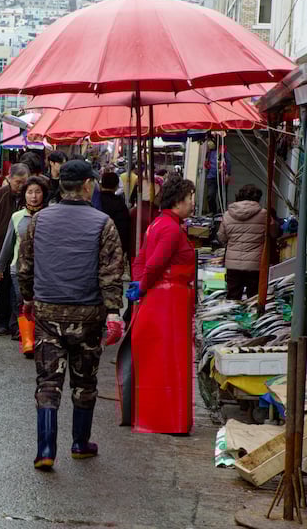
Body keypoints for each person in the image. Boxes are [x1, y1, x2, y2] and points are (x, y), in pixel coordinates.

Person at [18, 159, 125, 470]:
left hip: (47, 313)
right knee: (84, 382)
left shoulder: (38, 221)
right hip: (89, 315)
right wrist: (114, 312)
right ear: (87, 186)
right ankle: (79, 443)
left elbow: (23, 266)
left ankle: (46, 450)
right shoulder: (103, 223)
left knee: (47, 382)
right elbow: (111, 273)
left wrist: (27, 298)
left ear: (60, 185)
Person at [126, 177, 196, 434]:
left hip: (159, 299)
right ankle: (169, 420)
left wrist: (139, 284)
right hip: (168, 301)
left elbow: (141, 259)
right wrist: (142, 285)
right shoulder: (170, 228)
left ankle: (159, 417)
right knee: (170, 361)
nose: (192, 203)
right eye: (190, 197)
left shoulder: (158, 223)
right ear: (179, 200)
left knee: (158, 360)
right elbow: (154, 263)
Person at [0, 175, 50, 358]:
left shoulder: (50, 216)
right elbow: (8, 244)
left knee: (41, 304)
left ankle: (40, 337)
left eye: (38, 192)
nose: (34, 196)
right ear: (24, 195)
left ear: (44, 194)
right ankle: (28, 342)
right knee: (22, 304)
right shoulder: (17, 217)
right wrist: (0, 267)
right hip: (18, 269)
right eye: (30, 192)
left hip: (45, 270)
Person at [0, 164, 29, 337]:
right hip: (0, 249)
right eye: (18, 182)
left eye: (24, 183)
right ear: (9, 179)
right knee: (1, 287)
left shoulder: (29, 198)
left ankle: (16, 325)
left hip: (21, 253)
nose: (21, 187)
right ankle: (1, 323)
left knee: (17, 291)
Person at [217, 183, 280, 300]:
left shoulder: (227, 215)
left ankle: (233, 318)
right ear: (257, 198)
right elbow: (274, 233)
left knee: (233, 298)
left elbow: (222, 238)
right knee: (254, 299)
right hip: (255, 265)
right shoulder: (264, 215)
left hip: (233, 265)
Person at [99, 172, 131, 259]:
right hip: (112, 247)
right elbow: (124, 228)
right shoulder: (119, 204)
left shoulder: (95, 200)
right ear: (116, 186)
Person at [129, 179, 160, 264]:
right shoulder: (155, 215)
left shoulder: (133, 211)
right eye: (158, 195)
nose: (161, 198)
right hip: (146, 255)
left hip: (134, 253)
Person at [204, 139, 231, 215]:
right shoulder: (209, 152)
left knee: (222, 196)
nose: (209, 143)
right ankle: (213, 211)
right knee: (210, 195)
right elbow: (206, 163)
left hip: (221, 176)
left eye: (210, 141)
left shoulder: (223, 151)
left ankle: (222, 211)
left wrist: (228, 174)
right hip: (211, 177)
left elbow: (228, 162)